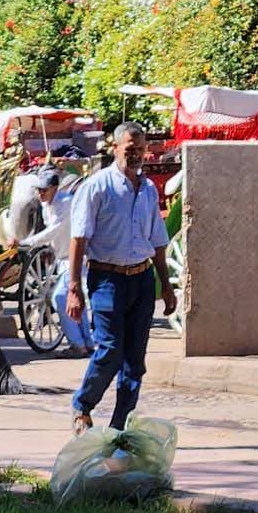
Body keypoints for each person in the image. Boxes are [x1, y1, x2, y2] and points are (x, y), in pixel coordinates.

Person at [66, 124, 173, 434]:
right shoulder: (97, 187)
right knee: (111, 350)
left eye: (140, 149)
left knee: (135, 362)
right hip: (107, 280)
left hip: (141, 280)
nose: (135, 154)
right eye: (129, 149)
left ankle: (118, 427)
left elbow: (158, 241)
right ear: (114, 148)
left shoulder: (149, 189)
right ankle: (82, 406)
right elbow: (79, 239)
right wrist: (74, 288)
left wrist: (165, 286)